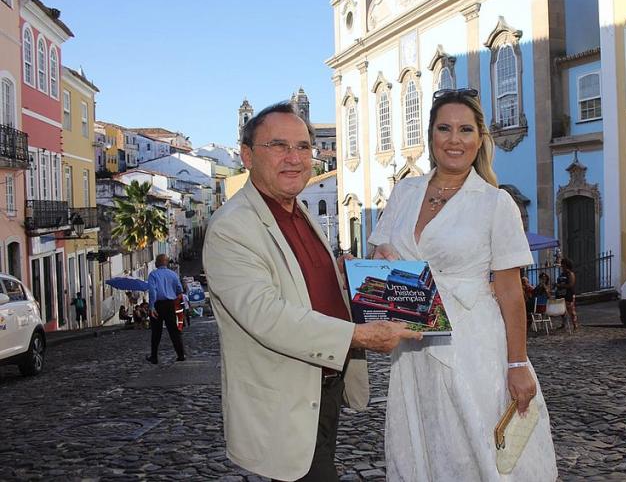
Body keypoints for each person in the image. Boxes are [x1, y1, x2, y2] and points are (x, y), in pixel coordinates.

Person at [202, 101, 421, 482]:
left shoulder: (297, 209)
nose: (295, 158)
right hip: (285, 396)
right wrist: (358, 335)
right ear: (247, 155)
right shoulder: (231, 228)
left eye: (303, 147)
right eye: (279, 146)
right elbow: (266, 314)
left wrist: (366, 273)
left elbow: (306, 283)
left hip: (324, 389)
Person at [369, 88, 558, 481]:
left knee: (472, 448)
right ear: (431, 136)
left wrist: (518, 363)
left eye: (465, 130)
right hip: (413, 342)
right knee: (425, 443)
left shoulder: (495, 203)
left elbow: (509, 291)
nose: (454, 139)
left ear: (479, 138)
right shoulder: (405, 193)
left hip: (472, 343)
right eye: (444, 128)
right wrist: (382, 263)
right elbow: (379, 260)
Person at [146, 254, 186, 364]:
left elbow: (153, 292)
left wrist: (151, 307)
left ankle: (154, 356)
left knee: (156, 332)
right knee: (174, 331)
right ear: (166, 262)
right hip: (170, 304)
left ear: (157, 262)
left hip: (158, 305)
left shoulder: (153, 275)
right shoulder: (173, 274)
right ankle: (181, 354)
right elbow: (179, 290)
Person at [555, 257, 578, 330]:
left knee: (570, 310)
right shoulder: (562, 274)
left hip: (568, 294)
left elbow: (571, 284)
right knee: (562, 310)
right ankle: (563, 324)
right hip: (561, 294)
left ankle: (575, 324)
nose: (561, 266)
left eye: (563, 264)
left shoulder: (570, 274)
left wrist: (560, 285)